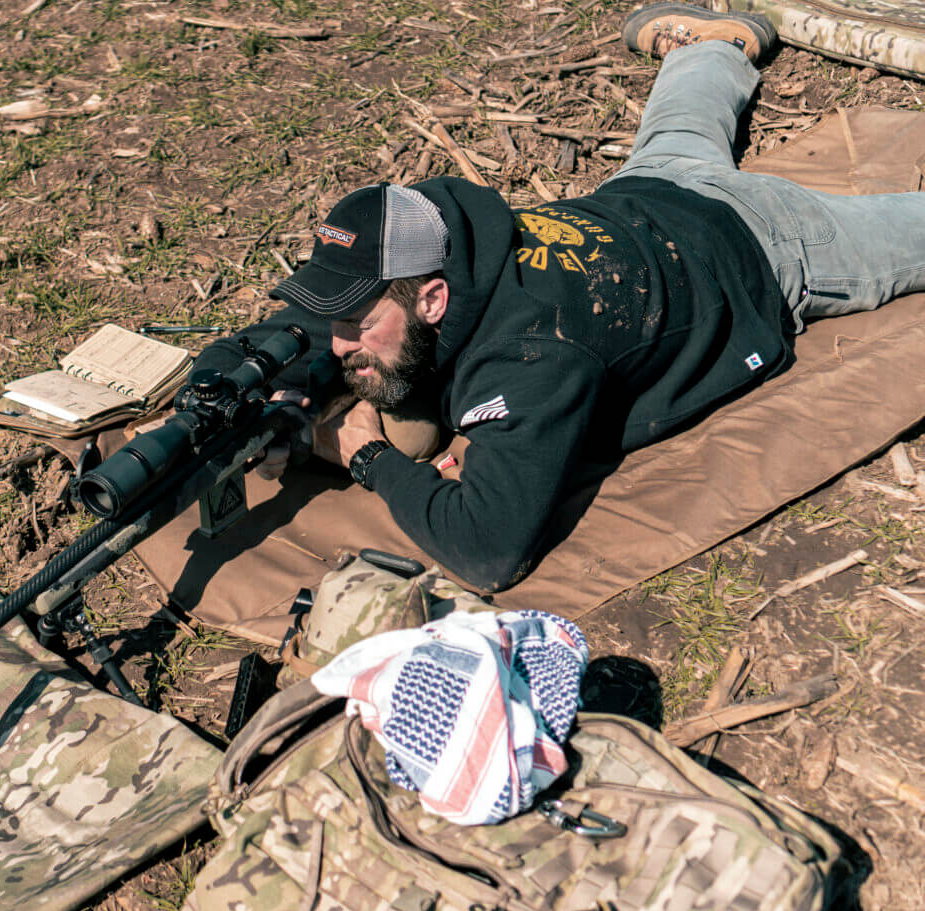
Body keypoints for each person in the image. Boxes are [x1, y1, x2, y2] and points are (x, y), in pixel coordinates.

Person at [193, 3, 925, 591]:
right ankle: (712, 44)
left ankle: (708, 56)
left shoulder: (534, 359)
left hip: (769, 245)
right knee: (679, 129)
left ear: (435, 301)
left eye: (357, 322)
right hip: (648, 189)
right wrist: (239, 390)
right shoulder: (429, 248)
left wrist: (367, 460)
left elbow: (490, 552)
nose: (338, 339)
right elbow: (281, 332)